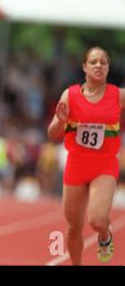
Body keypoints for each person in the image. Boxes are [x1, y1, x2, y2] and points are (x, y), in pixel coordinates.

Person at [48, 46, 122, 265]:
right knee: (73, 227)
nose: (99, 65)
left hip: (104, 166)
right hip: (76, 166)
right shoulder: (69, 95)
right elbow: (52, 134)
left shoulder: (118, 95)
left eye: (103, 62)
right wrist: (61, 120)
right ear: (84, 67)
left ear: (108, 68)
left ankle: (105, 236)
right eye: (93, 62)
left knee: (98, 220)